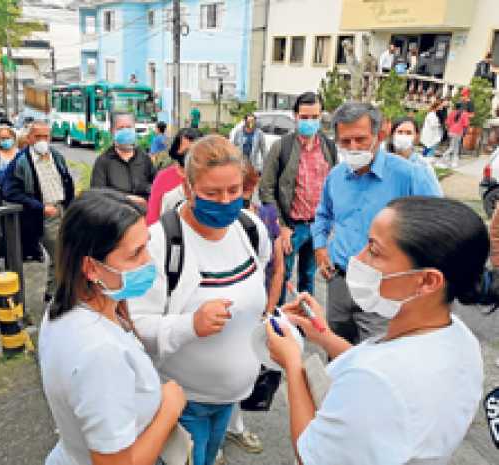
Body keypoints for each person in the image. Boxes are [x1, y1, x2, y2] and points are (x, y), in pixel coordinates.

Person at [267, 196, 485, 465]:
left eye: (374, 251)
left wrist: (291, 362)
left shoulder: (378, 380)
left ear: (427, 280)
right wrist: (323, 336)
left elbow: (311, 455)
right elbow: (373, 368)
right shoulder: (457, 336)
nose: (356, 258)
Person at [129, 135, 272, 465]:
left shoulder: (250, 228)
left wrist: (275, 319)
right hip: (183, 400)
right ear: (188, 187)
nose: (225, 202)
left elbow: (257, 285)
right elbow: (136, 323)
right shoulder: (160, 243)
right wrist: (190, 324)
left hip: (231, 398)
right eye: (211, 193)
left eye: (234, 191)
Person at [39, 190, 186, 465]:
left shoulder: (70, 304)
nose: (149, 262)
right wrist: (169, 408)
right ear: (92, 268)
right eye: (135, 254)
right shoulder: (100, 353)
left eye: (147, 246)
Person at [311, 102, 441, 344]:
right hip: (339, 280)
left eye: (360, 139)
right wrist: (320, 247)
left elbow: (438, 222)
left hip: (385, 285)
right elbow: (323, 214)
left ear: (379, 135)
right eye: (345, 141)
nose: (353, 147)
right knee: (336, 352)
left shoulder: (408, 175)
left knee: (376, 355)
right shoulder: (336, 176)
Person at [260, 92, 337, 303]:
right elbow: (266, 189)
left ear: (321, 116)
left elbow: (335, 188)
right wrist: (281, 226)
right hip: (291, 227)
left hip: (317, 227)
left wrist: (329, 226)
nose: (309, 122)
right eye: (304, 117)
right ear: (295, 116)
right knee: (280, 276)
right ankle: (278, 321)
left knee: (308, 277)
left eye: (314, 117)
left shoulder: (329, 148)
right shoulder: (281, 147)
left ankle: (303, 324)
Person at [3, 121, 75, 298]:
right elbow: (10, 191)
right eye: (38, 137)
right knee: (62, 255)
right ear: (29, 138)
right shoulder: (21, 161)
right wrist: (40, 207)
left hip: (63, 210)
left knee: (64, 254)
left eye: (46, 136)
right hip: (44, 216)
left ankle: (54, 293)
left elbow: (66, 179)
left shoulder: (56, 156)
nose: (43, 140)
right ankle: (58, 296)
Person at [91, 112, 155, 203]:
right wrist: (126, 199)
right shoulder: (103, 162)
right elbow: (97, 196)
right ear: (111, 131)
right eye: (120, 128)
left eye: (129, 127)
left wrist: (145, 199)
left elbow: (156, 189)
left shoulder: (145, 159)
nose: (126, 131)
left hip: (143, 214)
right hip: (115, 215)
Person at [146, 128, 202, 225]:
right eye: (186, 152)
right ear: (176, 152)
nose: (191, 157)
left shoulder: (210, 176)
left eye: (197, 151)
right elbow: (153, 216)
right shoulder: (164, 177)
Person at [388, 116, 442, 194]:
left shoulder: (422, 167)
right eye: (400, 132)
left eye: (408, 133)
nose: (403, 136)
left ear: (416, 136)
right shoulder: (384, 161)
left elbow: (435, 197)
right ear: (392, 134)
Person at [440, 102, 470, 169]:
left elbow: (447, 123)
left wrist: (448, 130)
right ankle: (443, 159)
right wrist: (464, 133)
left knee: (455, 148)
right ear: (461, 107)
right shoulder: (464, 114)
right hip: (458, 132)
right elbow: (466, 125)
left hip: (451, 132)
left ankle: (454, 162)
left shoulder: (452, 113)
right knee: (453, 148)